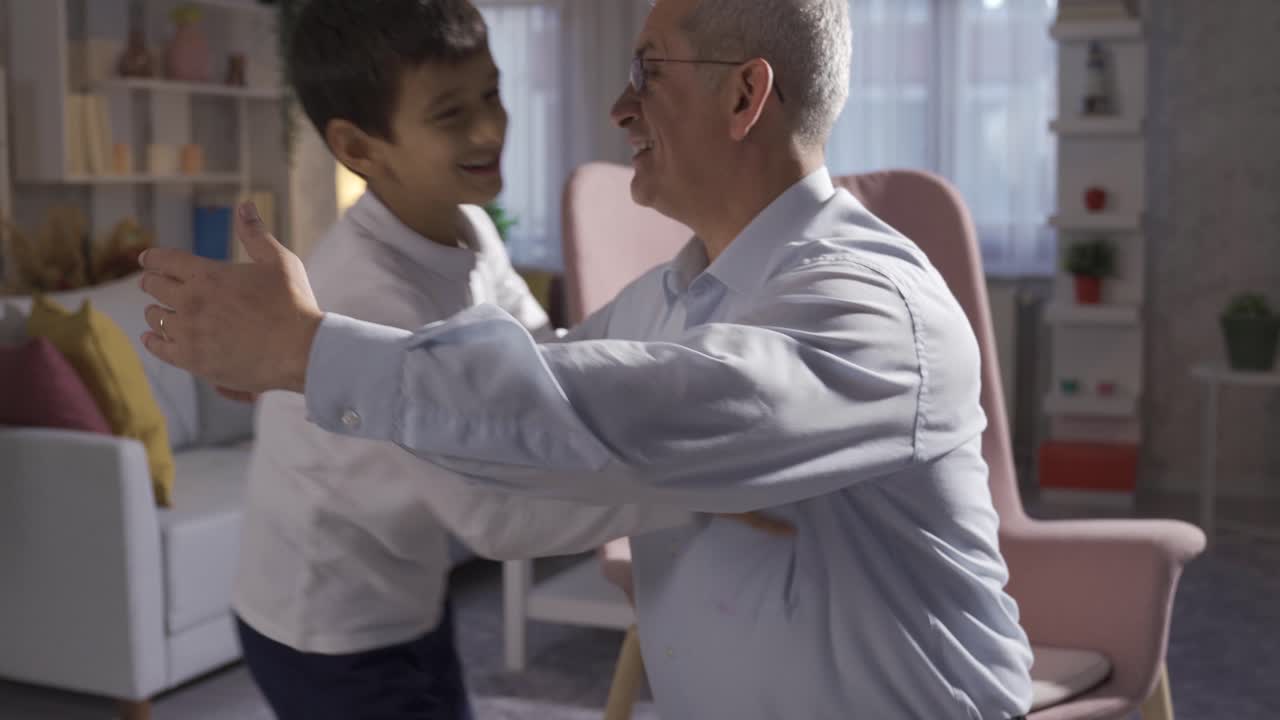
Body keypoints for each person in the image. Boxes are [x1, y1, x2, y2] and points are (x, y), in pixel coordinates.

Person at [139, 0, 1035, 717]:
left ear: (743, 97)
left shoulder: (873, 308)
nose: (618, 106)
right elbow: (557, 383)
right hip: (337, 617)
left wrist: (311, 353)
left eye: (648, 72)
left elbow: (625, 407)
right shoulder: (672, 297)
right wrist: (308, 355)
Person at [229, 2, 690, 719]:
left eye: (492, 94)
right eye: (450, 114)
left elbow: (543, 359)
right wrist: (695, 487)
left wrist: (680, 326)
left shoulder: (467, 225)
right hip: (322, 622)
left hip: (404, 591)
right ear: (359, 147)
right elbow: (494, 517)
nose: (489, 129)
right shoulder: (369, 295)